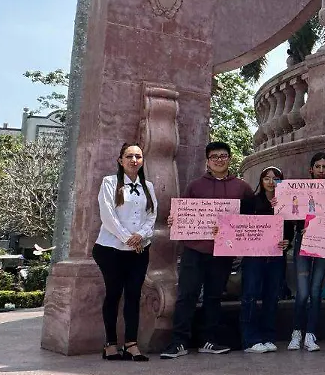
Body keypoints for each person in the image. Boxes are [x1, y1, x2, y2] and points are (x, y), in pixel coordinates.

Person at [160, 142, 251, 359]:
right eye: (214, 157)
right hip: (194, 249)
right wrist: (176, 219)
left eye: (224, 156)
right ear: (207, 161)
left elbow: (251, 218)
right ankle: (179, 342)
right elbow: (184, 214)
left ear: (230, 158)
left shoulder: (242, 188)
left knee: (213, 296)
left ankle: (209, 341)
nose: (220, 160)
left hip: (222, 252)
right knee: (187, 295)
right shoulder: (195, 186)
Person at [94, 143, 157, 361]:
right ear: (120, 160)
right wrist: (127, 239)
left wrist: (141, 235)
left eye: (138, 156)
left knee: (133, 295)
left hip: (139, 249)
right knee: (113, 294)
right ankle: (110, 343)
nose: (134, 160)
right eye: (129, 156)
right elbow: (108, 215)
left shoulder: (147, 185)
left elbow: (152, 215)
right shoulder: (109, 182)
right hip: (110, 248)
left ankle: (131, 343)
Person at [240, 166, 293, 354]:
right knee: (251, 295)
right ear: (261, 181)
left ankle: (268, 336)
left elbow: (289, 230)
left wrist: (288, 242)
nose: (271, 182)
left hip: (276, 256)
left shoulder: (286, 203)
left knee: (272, 296)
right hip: (254, 257)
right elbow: (240, 226)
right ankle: (250, 339)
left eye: (275, 178)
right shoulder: (251, 202)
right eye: (267, 178)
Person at [288, 152, 325, 353]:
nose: (321, 171)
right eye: (318, 167)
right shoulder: (300, 190)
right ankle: (296, 332)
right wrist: (280, 205)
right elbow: (289, 213)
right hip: (304, 239)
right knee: (303, 291)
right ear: (311, 169)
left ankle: (310, 334)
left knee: (316, 290)